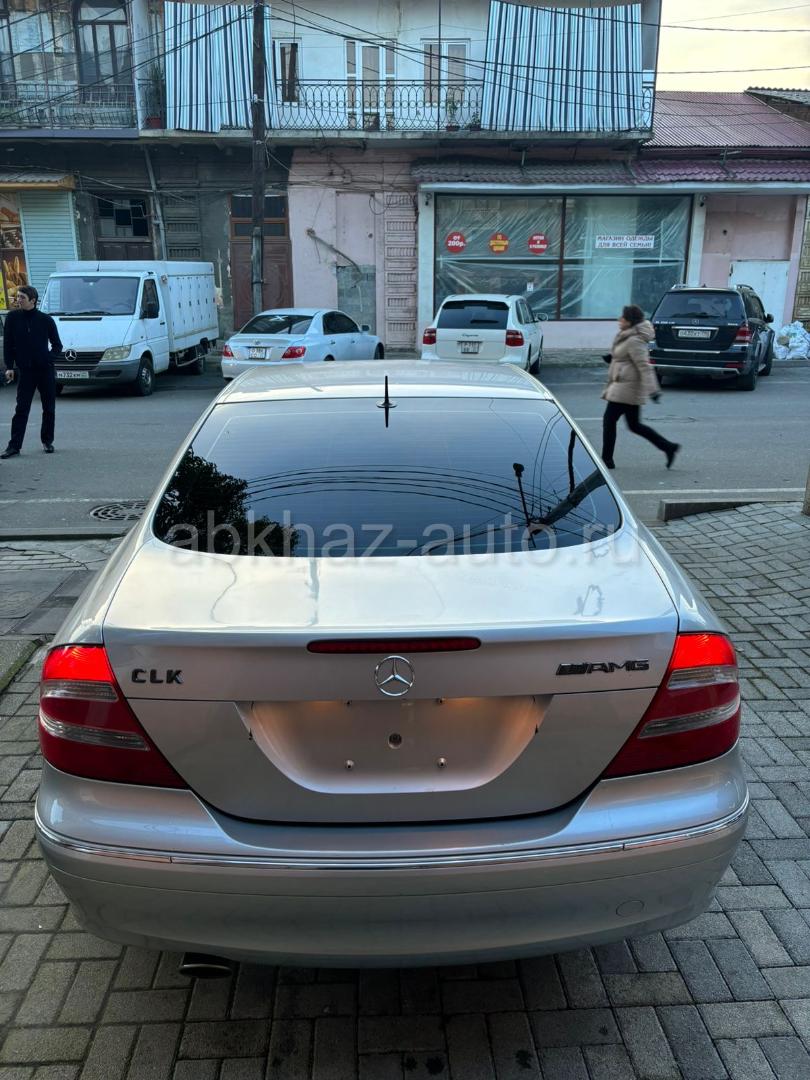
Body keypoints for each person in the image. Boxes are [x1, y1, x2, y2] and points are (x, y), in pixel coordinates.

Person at [601, 304, 680, 470]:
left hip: (626, 388)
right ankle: (668, 447)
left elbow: (644, 366)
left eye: (622, 317)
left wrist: (653, 390)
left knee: (609, 421)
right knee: (634, 425)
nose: (619, 319)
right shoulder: (627, 335)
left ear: (629, 321)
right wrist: (612, 357)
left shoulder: (634, 340)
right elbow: (625, 356)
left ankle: (606, 460)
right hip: (624, 386)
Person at [2, 285, 62, 458]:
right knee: (21, 409)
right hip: (26, 371)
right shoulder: (12, 318)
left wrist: (48, 359)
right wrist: (9, 366)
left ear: (33, 301)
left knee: (48, 408)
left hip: (45, 371)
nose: (18, 300)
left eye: (22, 297)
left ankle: (47, 441)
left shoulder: (45, 320)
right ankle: (14, 446)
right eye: (18, 297)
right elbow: (8, 344)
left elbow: (57, 345)